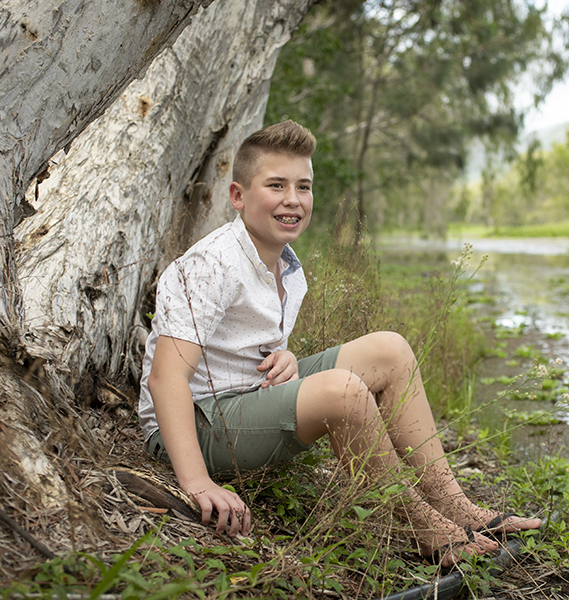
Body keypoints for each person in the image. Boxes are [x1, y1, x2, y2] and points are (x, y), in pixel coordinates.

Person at [139, 120, 540, 570]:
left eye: (303, 186)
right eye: (276, 185)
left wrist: (286, 358)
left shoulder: (286, 265)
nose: (292, 199)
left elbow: (242, 346)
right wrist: (196, 482)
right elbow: (165, 376)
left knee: (390, 349)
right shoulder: (209, 265)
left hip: (247, 400)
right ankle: (424, 530)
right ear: (238, 196)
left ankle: (457, 506)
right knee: (342, 392)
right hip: (195, 426)